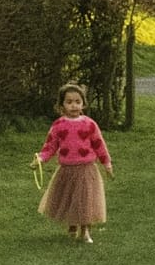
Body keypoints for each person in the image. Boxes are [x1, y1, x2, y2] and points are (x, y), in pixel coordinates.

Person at [33, 82, 113, 243]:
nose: (74, 106)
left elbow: (99, 145)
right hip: (66, 170)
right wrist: (40, 159)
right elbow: (50, 146)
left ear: (83, 103)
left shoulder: (90, 124)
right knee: (70, 198)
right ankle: (72, 224)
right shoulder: (58, 125)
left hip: (86, 169)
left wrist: (107, 164)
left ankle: (85, 231)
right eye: (69, 102)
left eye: (77, 101)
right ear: (61, 105)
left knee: (85, 200)